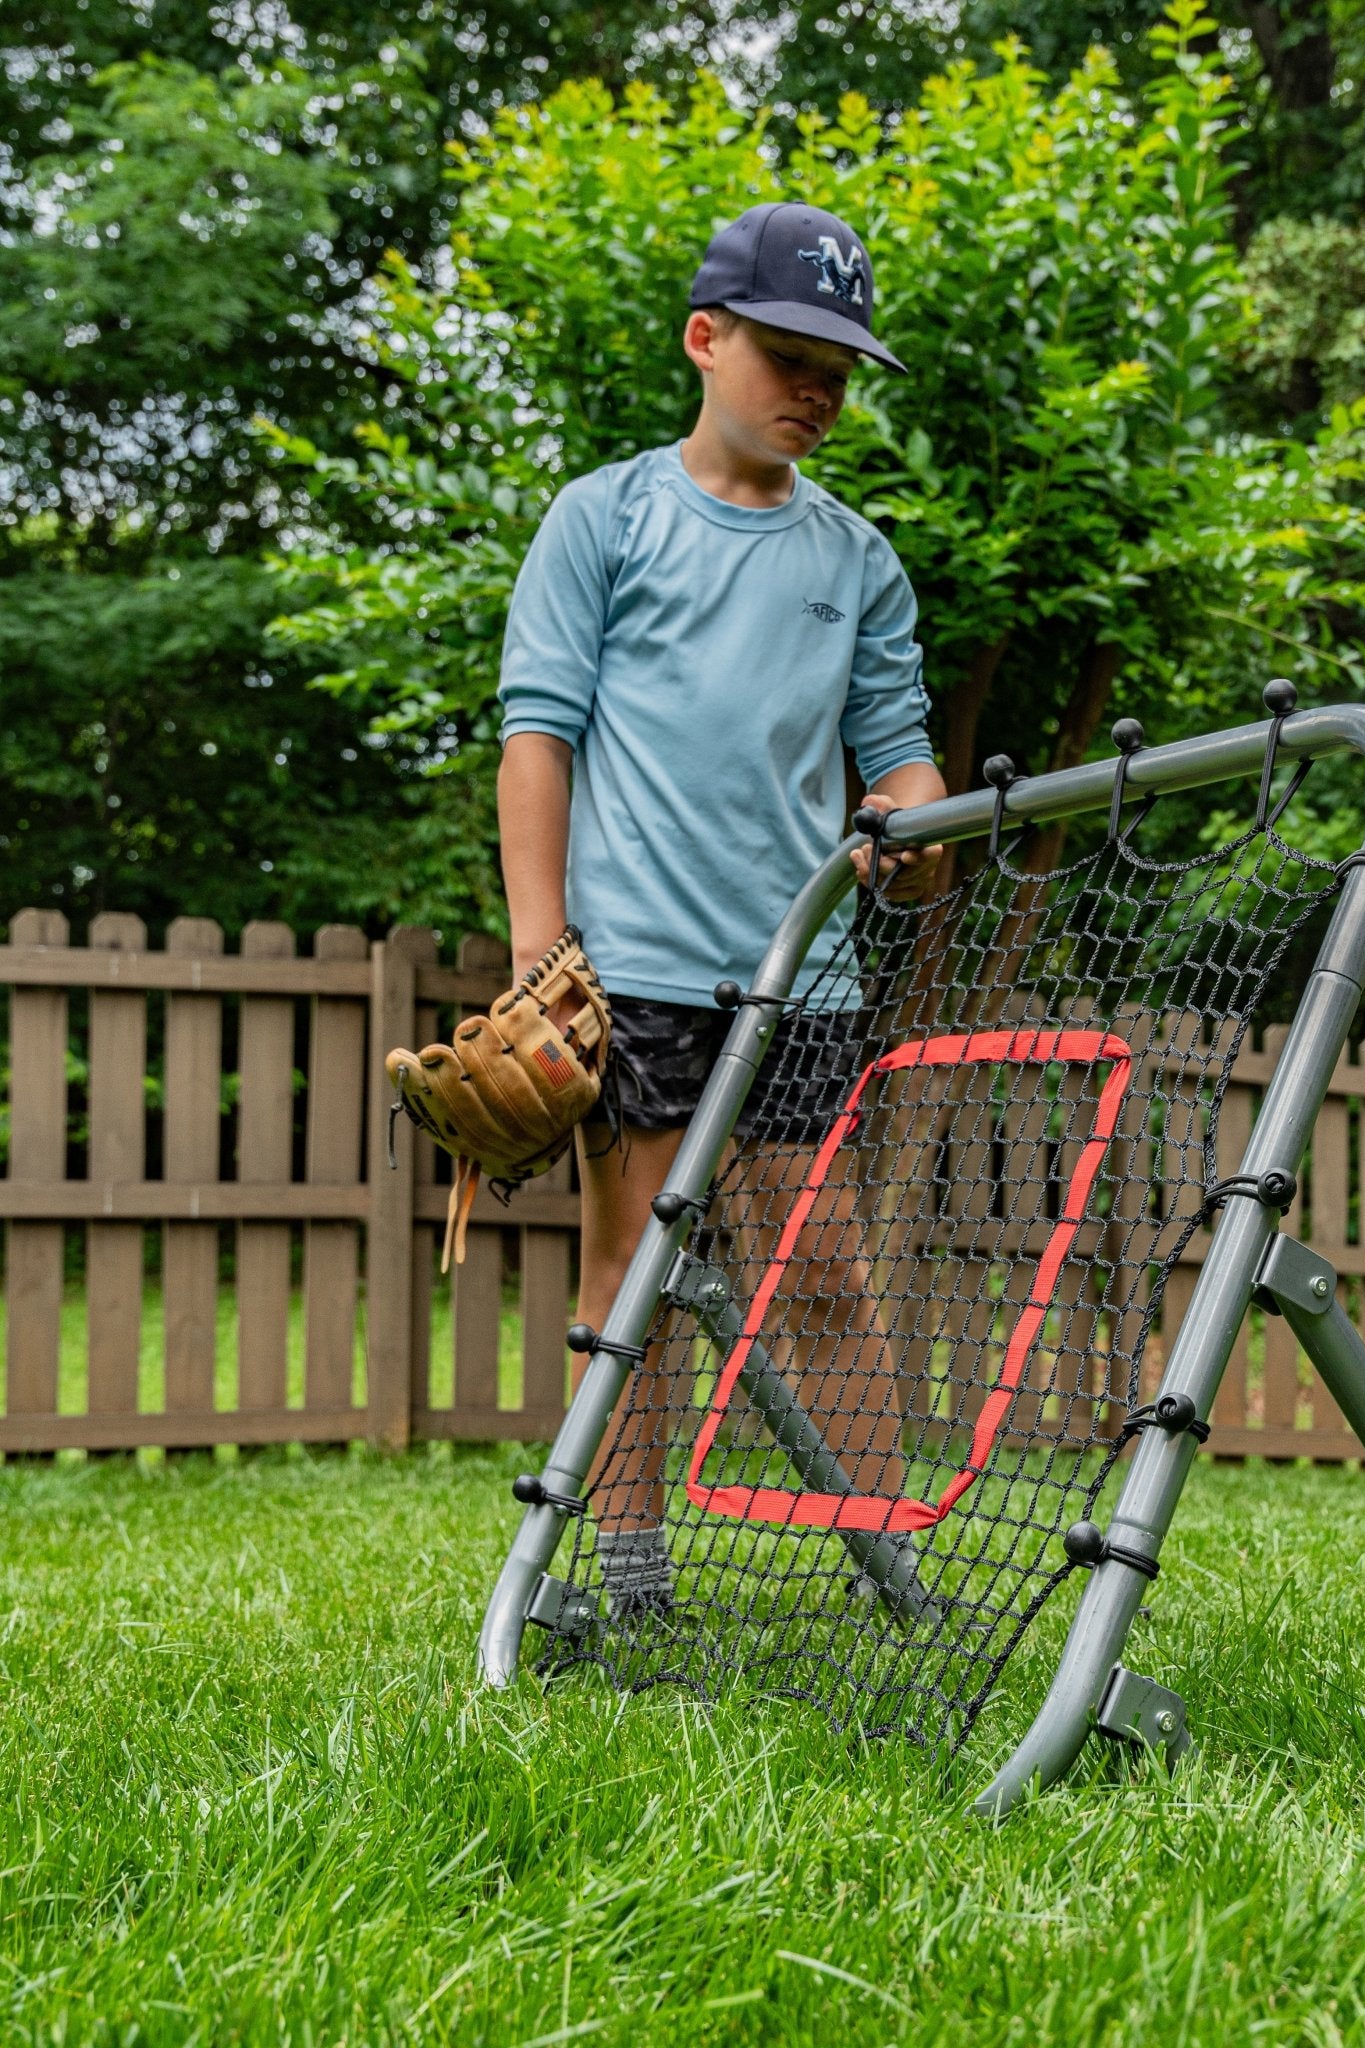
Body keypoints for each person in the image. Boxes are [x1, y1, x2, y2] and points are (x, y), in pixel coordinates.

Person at [494, 202, 946, 1615]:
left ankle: (898, 1569)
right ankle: (628, 1578)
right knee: (631, 1277)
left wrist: (912, 840)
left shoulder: (859, 562)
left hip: (797, 980)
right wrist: (539, 949)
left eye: (840, 366)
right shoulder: (606, 517)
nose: (815, 387)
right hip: (628, 971)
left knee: (822, 1272)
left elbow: (901, 758)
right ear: (707, 339)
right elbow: (536, 735)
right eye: (786, 352)